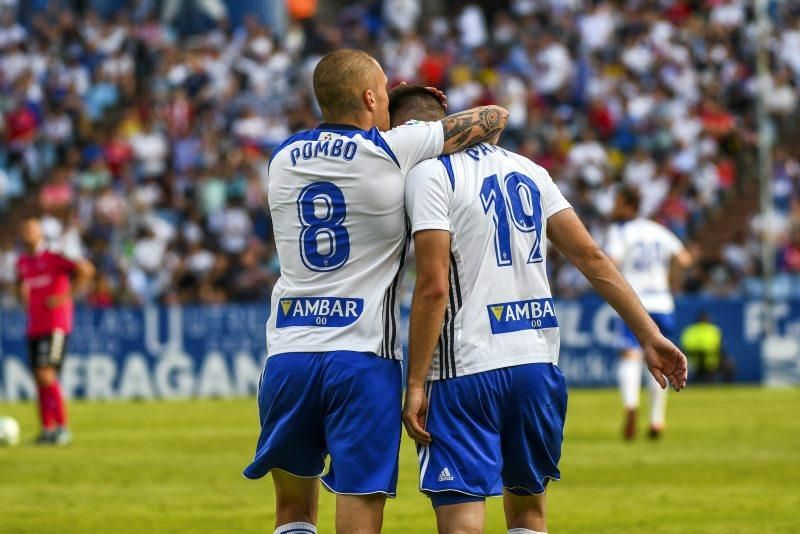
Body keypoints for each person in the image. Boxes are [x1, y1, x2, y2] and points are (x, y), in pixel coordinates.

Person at [393, 85, 687, 534]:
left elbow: (433, 287)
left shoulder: (428, 174)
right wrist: (649, 334)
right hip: (535, 364)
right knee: (529, 517)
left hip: (465, 369)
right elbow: (591, 256)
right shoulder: (529, 170)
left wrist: (414, 382)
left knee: (462, 523)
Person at [242, 49, 508, 534]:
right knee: (359, 511)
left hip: (289, 355)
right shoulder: (391, 149)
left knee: (292, 514)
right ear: (369, 97)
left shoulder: (281, 158)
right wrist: (433, 110)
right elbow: (495, 118)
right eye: (384, 92)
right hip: (362, 359)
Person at [605, 187, 693, 440]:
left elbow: (611, 260)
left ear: (628, 205)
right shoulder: (656, 229)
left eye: (617, 202)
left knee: (631, 355)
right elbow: (684, 258)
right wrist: (671, 282)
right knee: (663, 360)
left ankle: (631, 404)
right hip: (663, 302)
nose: (613, 208)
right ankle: (657, 420)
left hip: (636, 303)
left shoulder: (619, 231)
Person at [15, 218, 94, 445]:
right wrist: (23, 295)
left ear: (41, 233)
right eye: (24, 230)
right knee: (39, 378)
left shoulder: (54, 256)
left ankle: (62, 428)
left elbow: (86, 269)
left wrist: (65, 297)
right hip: (34, 324)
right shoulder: (23, 262)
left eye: (31, 229)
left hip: (55, 324)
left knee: (46, 374)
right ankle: (47, 429)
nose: (27, 233)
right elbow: (21, 282)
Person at [681, 312, 733, 383]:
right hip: (710, 363)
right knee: (729, 364)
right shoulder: (714, 330)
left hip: (692, 362)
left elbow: (684, 348)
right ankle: (727, 387)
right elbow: (720, 348)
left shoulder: (689, 330)